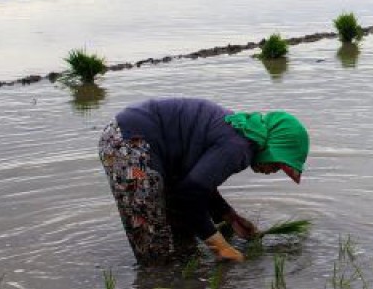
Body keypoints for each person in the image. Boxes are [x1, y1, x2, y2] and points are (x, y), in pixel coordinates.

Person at [99, 98, 309, 264]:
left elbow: (198, 184)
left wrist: (231, 218)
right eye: (277, 164)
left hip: (134, 140)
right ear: (271, 147)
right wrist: (221, 246)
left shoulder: (240, 135)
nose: (273, 172)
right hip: (130, 145)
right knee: (155, 252)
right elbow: (190, 194)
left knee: (181, 234)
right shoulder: (239, 147)